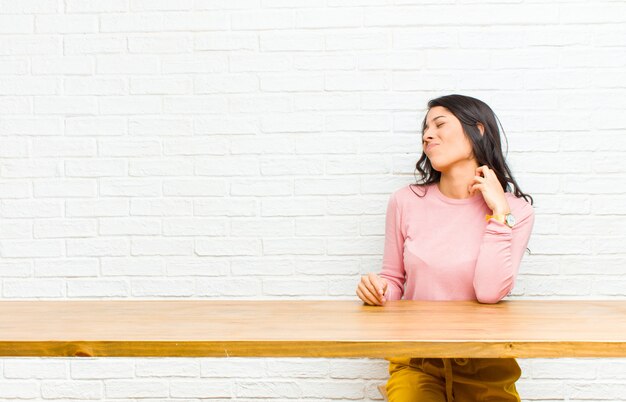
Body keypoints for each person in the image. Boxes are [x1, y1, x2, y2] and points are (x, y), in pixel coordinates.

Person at [356, 94, 535, 402]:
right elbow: (394, 280)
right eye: (425, 129)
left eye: (440, 124)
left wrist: (498, 212)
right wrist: (378, 290)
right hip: (417, 360)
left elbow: (489, 292)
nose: (428, 135)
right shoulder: (405, 201)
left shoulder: (516, 211)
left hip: (486, 361)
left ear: (478, 130)